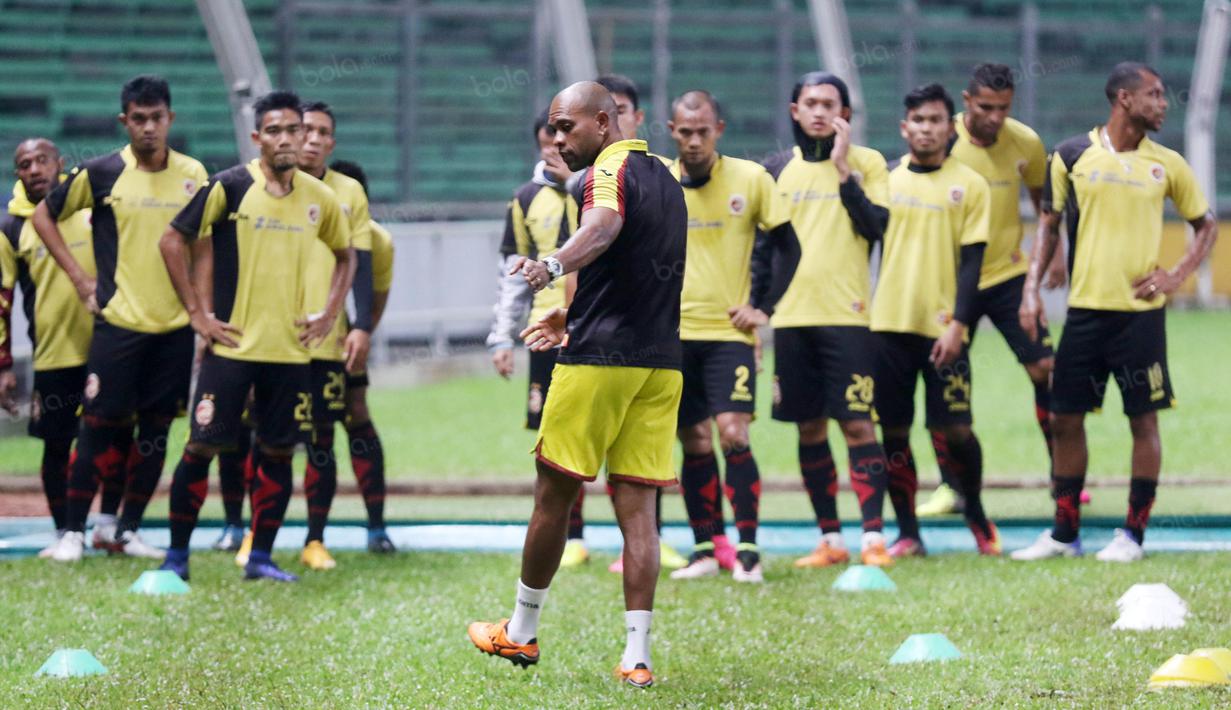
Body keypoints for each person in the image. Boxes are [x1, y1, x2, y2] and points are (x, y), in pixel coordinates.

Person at [468, 81, 686, 688]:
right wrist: (574, 311)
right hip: (661, 362)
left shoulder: (606, 174)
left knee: (554, 496)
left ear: (604, 121)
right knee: (638, 509)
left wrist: (552, 267)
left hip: (599, 364)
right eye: (552, 130)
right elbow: (643, 269)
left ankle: (521, 632)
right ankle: (637, 657)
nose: (558, 140)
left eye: (567, 127)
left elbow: (605, 227)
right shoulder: (666, 177)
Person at [1011, 62, 1217, 562]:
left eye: (1164, 96)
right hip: (1084, 313)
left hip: (1140, 319)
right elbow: (1048, 226)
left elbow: (1206, 224)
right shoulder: (1070, 156)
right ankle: (1065, 533)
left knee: (1143, 421)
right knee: (1063, 419)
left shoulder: (1167, 163)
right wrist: (1031, 292)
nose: (1163, 104)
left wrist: (1176, 275)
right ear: (1124, 99)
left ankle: (1132, 535)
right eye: (1155, 94)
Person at [156, 90, 353, 582]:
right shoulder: (229, 187)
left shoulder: (320, 199)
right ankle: (176, 557)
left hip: (289, 353)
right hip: (231, 347)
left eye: (294, 130)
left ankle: (261, 558)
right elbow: (171, 239)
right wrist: (198, 315)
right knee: (200, 447)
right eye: (275, 131)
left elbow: (346, 255)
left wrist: (330, 313)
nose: (286, 139)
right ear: (256, 137)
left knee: (278, 452)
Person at [32, 75, 208, 562]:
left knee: (155, 432)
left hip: (173, 331)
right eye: (139, 119)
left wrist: (202, 313)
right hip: (119, 325)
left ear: (170, 118)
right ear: (124, 121)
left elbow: (204, 244)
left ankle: (124, 529)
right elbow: (44, 217)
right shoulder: (102, 171)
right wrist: (80, 279)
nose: (148, 128)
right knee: (97, 426)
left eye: (157, 118)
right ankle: (72, 533)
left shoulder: (194, 173)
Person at [918, 62, 1070, 518]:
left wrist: (1055, 252)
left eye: (1003, 108)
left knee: (1046, 368)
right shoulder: (942, 140)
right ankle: (951, 486)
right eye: (986, 107)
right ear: (967, 103)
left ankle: (1062, 476)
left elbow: (1043, 201)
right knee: (946, 382)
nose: (995, 117)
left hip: (1006, 276)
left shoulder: (1025, 142)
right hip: (949, 281)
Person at [760, 72, 893, 568]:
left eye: (828, 104)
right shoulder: (774, 170)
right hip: (791, 320)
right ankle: (830, 539)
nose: (819, 111)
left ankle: (873, 538)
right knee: (809, 430)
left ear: (845, 115)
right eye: (810, 103)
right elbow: (763, 250)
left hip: (849, 318)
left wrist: (842, 171)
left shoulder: (869, 163)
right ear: (795, 110)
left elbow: (876, 227)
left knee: (858, 426)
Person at [664, 90, 796, 583]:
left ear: (718, 129)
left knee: (733, 433)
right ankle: (704, 548)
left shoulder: (751, 178)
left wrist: (762, 307)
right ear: (672, 132)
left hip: (728, 334)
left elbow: (788, 246)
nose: (694, 141)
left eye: (703, 132)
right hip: (673, 336)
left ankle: (748, 550)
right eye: (685, 132)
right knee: (693, 439)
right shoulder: (661, 182)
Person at [872, 83, 999, 558]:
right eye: (918, 121)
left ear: (952, 128)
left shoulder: (970, 185)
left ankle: (978, 516)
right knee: (895, 431)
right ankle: (908, 532)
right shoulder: (884, 178)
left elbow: (973, 263)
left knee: (956, 429)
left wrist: (959, 325)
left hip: (945, 329)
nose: (927, 129)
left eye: (936, 121)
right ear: (905, 127)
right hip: (888, 327)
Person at [486, 110, 582, 563]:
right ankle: (572, 537)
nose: (556, 145)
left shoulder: (599, 190)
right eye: (549, 137)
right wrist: (502, 338)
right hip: (546, 333)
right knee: (553, 435)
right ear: (541, 143)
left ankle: (637, 536)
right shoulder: (524, 199)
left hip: (596, 327)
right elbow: (512, 274)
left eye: (565, 136)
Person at [0, 139, 96, 555]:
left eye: (43, 160)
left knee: (111, 440)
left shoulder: (94, 210)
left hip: (109, 349)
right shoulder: (11, 228)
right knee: (57, 445)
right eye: (25, 164)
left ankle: (113, 528)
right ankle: (65, 534)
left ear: (60, 163)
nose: (35, 169)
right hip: (53, 354)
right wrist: (3, 364)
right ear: (17, 174)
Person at [291, 100, 375, 571]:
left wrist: (360, 325)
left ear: (332, 141)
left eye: (323, 132)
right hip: (268, 338)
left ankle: (315, 539)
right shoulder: (271, 186)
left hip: (325, 340)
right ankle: (245, 535)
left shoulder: (349, 194)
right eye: (305, 130)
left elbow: (359, 264)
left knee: (322, 438)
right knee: (264, 438)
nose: (313, 139)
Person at [329, 158, 396, 553]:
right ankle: (242, 528)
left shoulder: (378, 240)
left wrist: (359, 334)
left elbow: (376, 299)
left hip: (343, 341)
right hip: (289, 343)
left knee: (356, 412)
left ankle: (376, 527)